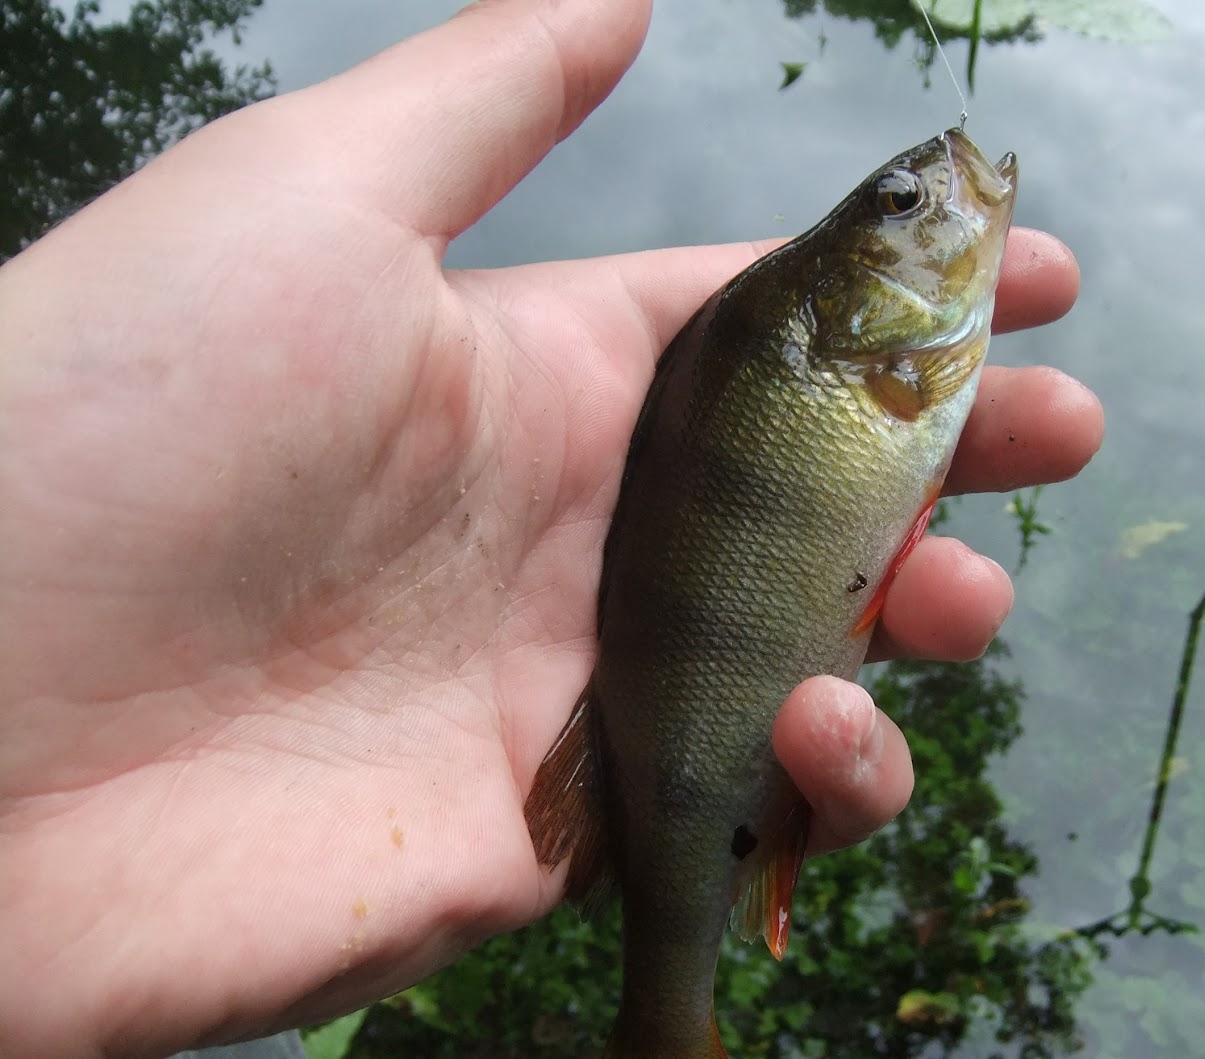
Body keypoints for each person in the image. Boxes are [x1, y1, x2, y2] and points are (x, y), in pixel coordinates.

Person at [0, 0, 1103, 1055]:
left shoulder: (876, 365)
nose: (931, 197)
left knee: (832, 733)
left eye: (901, 204)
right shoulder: (879, 369)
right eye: (906, 205)